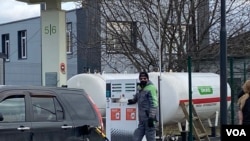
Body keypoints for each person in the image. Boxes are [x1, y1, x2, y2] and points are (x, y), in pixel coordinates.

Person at [128, 72, 158, 141]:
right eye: (141, 78)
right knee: (136, 136)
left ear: (147, 79)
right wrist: (133, 100)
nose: (143, 80)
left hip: (149, 118)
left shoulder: (151, 88)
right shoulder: (140, 87)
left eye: (144, 78)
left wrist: (151, 118)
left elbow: (154, 104)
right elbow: (138, 95)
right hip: (141, 118)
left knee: (150, 137)